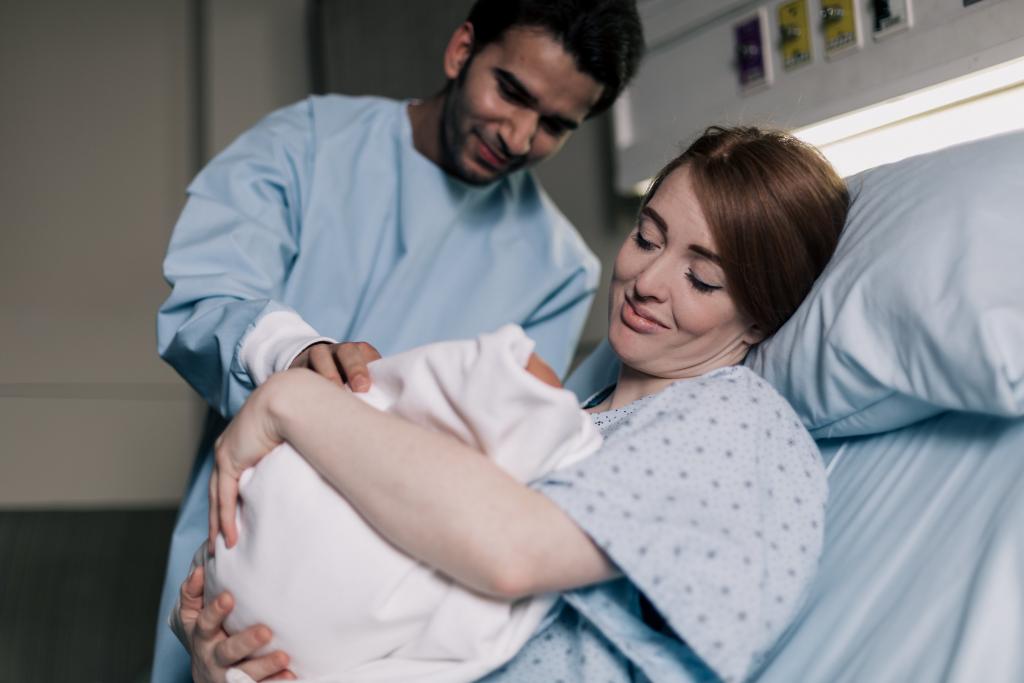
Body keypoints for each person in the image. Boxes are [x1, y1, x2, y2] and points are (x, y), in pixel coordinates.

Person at [174, 126, 851, 683]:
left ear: (760, 318)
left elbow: (511, 554)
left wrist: (290, 400)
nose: (646, 281)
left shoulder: (737, 422)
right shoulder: (570, 413)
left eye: (701, 278)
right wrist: (231, 660)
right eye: (647, 236)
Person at [151, 1, 645, 680]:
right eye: (511, 91)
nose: (520, 135)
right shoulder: (310, 144)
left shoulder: (558, 270)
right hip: (237, 558)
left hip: (388, 621)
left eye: (556, 124)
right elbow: (209, 295)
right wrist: (287, 356)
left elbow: (499, 479)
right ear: (461, 49)